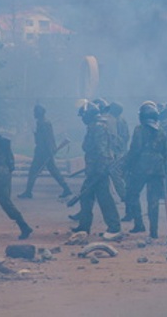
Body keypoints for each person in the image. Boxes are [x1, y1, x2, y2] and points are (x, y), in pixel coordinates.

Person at [73, 101, 122, 240]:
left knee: (105, 198)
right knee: (86, 197)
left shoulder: (98, 127)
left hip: (98, 170)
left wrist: (101, 170)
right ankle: (84, 226)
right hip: (94, 169)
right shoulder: (94, 126)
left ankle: (115, 228)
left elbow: (102, 151)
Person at [124, 102, 167, 238]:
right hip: (158, 168)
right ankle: (153, 231)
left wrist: (127, 164)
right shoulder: (162, 130)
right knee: (154, 200)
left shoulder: (139, 129)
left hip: (141, 168)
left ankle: (139, 224)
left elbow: (135, 150)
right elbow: (165, 152)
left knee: (132, 194)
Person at [18, 104, 72, 199]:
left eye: (35, 112)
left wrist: (50, 152)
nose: (34, 114)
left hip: (42, 152)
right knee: (53, 171)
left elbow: (47, 140)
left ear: (38, 113)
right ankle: (66, 189)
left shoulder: (43, 123)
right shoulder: (43, 122)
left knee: (33, 171)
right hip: (43, 151)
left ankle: (28, 192)